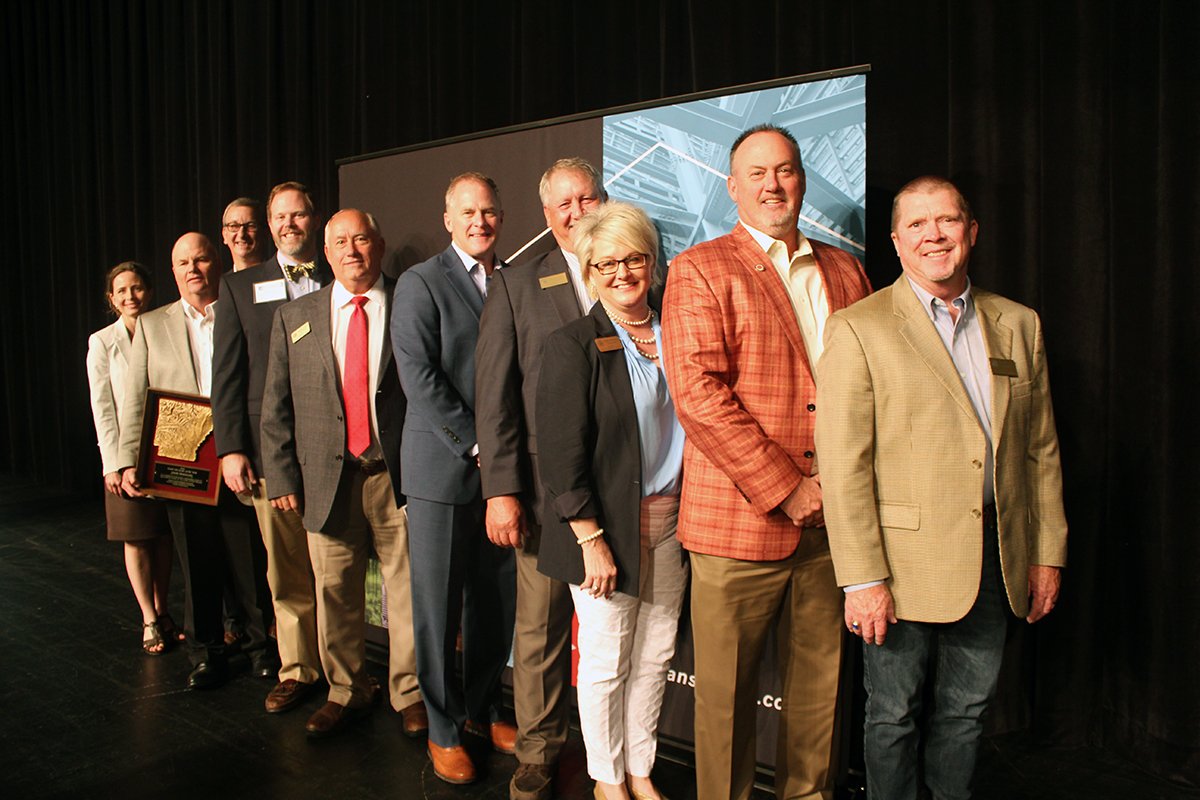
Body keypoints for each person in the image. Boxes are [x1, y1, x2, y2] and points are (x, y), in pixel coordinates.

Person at [816, 175, 1068, 800]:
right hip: (900, 569)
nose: (935, 235)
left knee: (967, 715)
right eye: (918, 225)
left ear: (971, 232)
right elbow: (844, 465)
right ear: (898, 242)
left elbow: (1039, 451)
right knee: (892, 716)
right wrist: (862, 578)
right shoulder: (859, 328)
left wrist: (1046, 552)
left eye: (948, 221)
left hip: (996, 556)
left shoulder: (1019, 324)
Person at [660, 123, 872, 800]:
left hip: (832, 526)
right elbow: (698, 394)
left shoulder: (846, 270)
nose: (772, 184)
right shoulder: (699, 268)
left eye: (783, 170)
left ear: (802, 179)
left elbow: (868, 387)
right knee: (723, 704)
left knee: (819, 699)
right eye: (756, 173)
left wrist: (834, 491)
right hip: (740, 526)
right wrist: (788, 488)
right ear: (732, 188)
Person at [536, 202, 685, 800]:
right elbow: (561, 455)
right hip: (605, 533)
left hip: (673, 527)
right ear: (589, 272)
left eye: (633, 258)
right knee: (604, 663)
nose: (622, 272)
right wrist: (590, 539)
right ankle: (606, 779)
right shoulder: (572, 343)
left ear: (651, 261)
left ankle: (640, 769)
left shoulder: (678, 330)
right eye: (607, 263)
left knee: (654, 655)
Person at [260, 208, 423, 738]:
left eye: (361, 239)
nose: (351, 250)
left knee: (407, 593)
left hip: (397, 477)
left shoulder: (411, 302)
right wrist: (282, 477)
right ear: (325, 252)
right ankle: (346, 690)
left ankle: (410, 694)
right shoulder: (296, 315)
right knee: (333, 593)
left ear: (378, 244)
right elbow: (276, 405)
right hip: (326, 481)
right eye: (340, 242)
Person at [475, 156, 606, 800]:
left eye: (587, 199)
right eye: (563, 204)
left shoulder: (639, 270)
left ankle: (616, 752)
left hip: (628, 485)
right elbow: (494, 397)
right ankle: (537, 750)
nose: (577, 213)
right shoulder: (516, 283)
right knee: (543, 629)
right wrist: (500, 490)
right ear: (546, 214)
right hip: (543, 490)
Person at [392, 172, 517, 785]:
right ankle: (442, 729)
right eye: (467, 212)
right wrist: (480, 447)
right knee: (438, 610)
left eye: (489, 211)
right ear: (448, 218)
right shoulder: (420, 283)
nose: (479, 222)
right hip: (443, 473)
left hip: (502, 480)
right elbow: (419, 378)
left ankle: (483, 708)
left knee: (493, 604)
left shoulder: (514, 278)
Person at [211, 183, 331, 715]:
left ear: (313, 219)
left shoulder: (341, 272)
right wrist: (231, 447)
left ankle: (344, 671)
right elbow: (227, 376)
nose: (289, 224)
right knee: (285, 571)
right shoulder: (239, 287)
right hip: (268, 452)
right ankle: (299, 668)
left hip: (335, 450)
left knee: (337, 569)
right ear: (270, 223)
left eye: (298, 214)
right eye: (279, 217)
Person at [116, 233, 234, 690]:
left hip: (239, 454)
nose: (193, 269)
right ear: (173, 271)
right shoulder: (151, 324)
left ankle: (259, 646)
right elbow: (134, 398)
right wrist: (129, 460)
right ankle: (206, 651)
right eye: (183, 262)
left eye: (201, 259)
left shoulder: (237, 308)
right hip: (183, 461)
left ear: (215, 263)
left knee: (246, 558)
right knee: (197, 560)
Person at [85, 261, 176, 655]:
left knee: (163, 535)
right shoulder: (102, 342)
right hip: (125, 456)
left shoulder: (164, 329)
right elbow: (102, 406)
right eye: (121, 291)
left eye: (136, 288)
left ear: (149, 291)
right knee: (136, 537)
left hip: (167, 450)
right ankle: (149, 619)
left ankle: (165, 610)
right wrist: (112, 463)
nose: (130, 296)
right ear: (111, 299)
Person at [220, 197, 266, 271]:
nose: (241, 234)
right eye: (234, 226)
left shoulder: (281, 278)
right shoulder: (220, 282)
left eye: (250, 226)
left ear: (264, 232)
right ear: (224, 235)